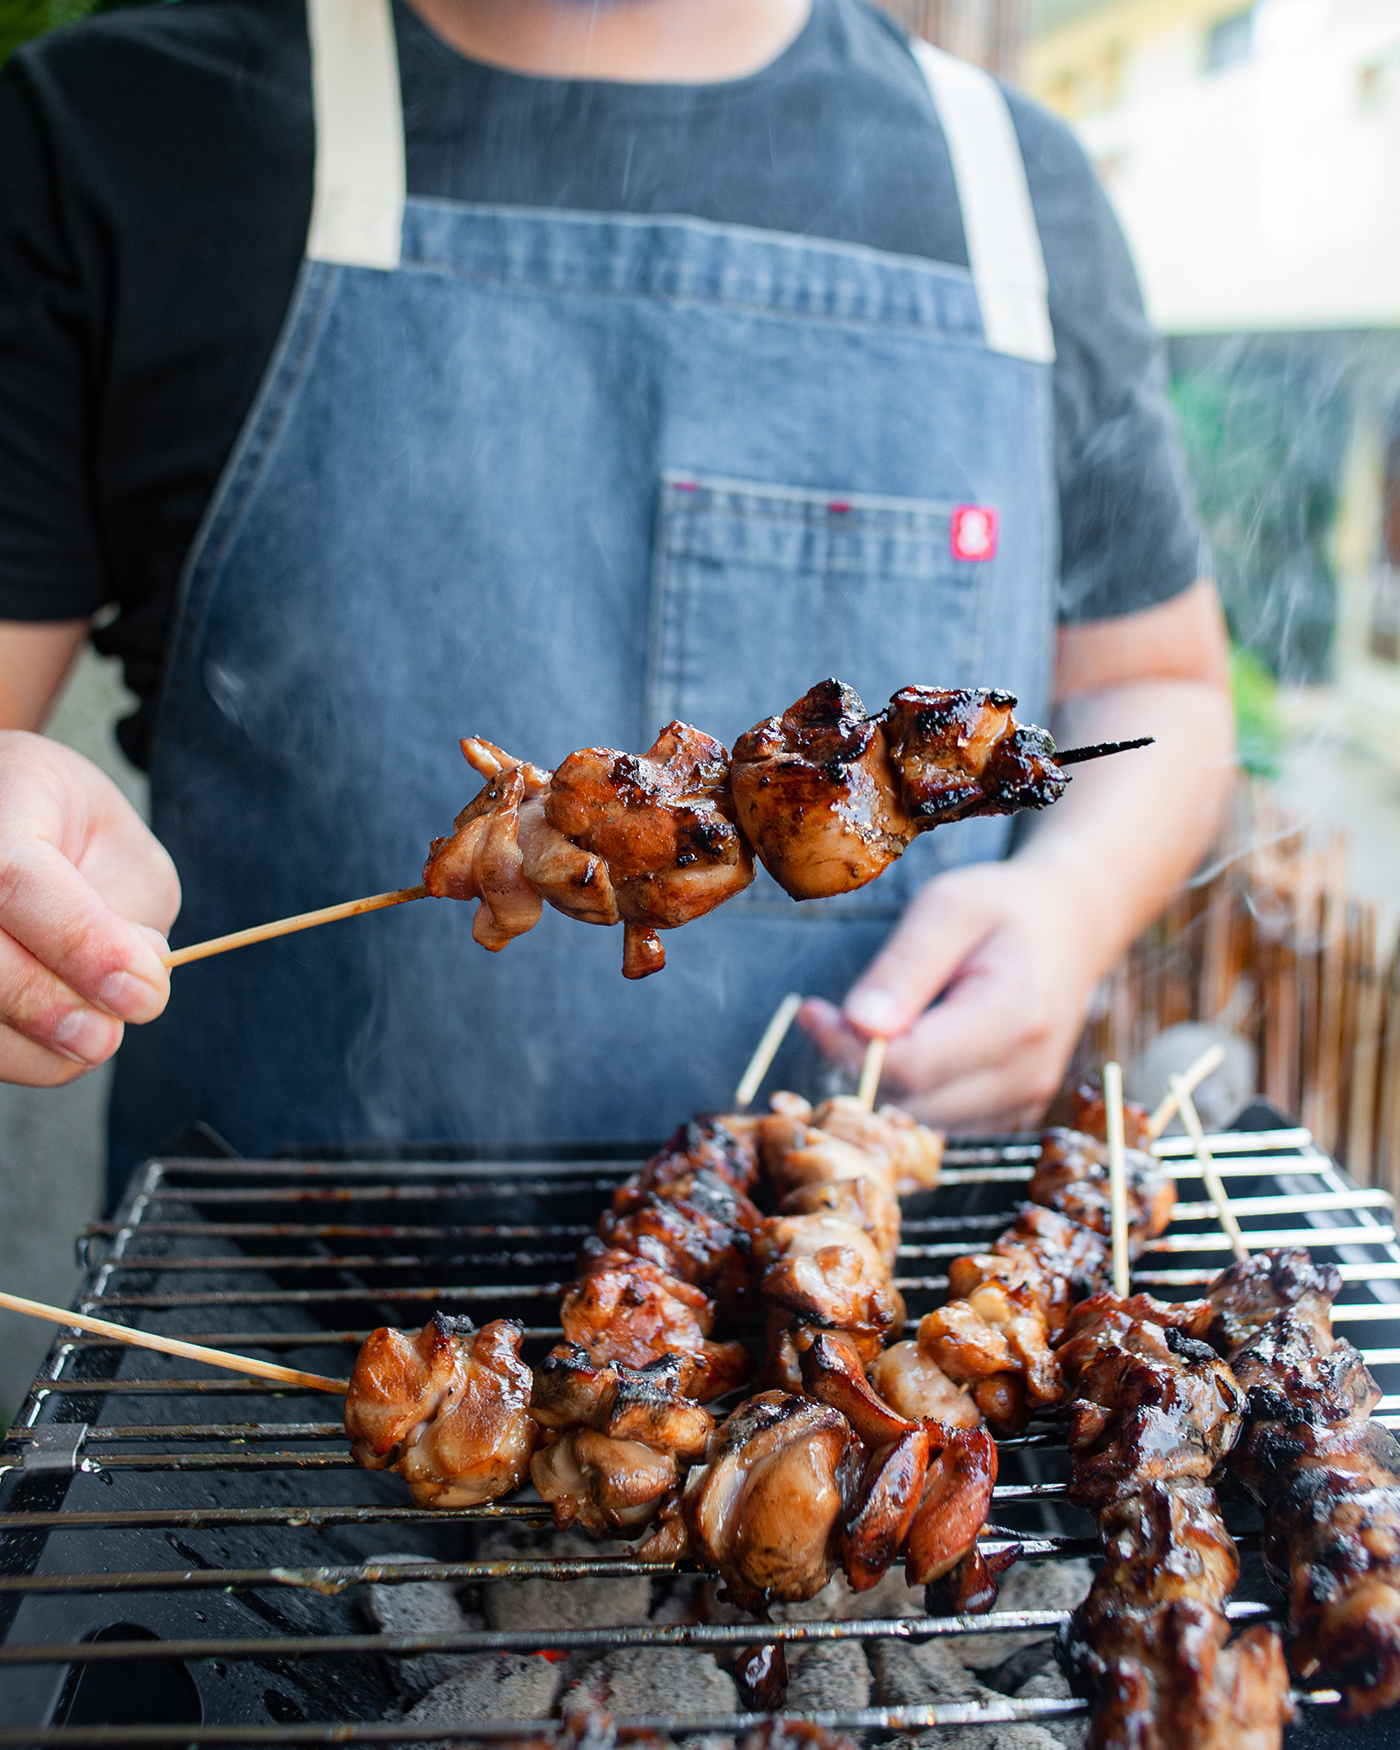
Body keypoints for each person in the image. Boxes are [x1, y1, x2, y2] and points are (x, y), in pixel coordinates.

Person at [0, 0, 1232, 1196]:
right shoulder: (120, 134)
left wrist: (1066, 903)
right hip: (233, 1305)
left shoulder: (1020, 195)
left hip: (844, 1317)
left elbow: (1155, 680)